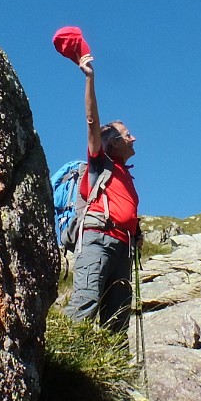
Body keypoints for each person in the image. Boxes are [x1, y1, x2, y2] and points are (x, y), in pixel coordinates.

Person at [63, 50, 139, 332]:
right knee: (86, 303)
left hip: (123, 248)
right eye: (127, 134)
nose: (133, 138)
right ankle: (63, 367)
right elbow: (92, 121)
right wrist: (89, 80)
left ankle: (109, 374)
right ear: (112, 142)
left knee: (118, 319)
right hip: (98, 240)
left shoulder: (124, 175)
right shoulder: (99, 162)